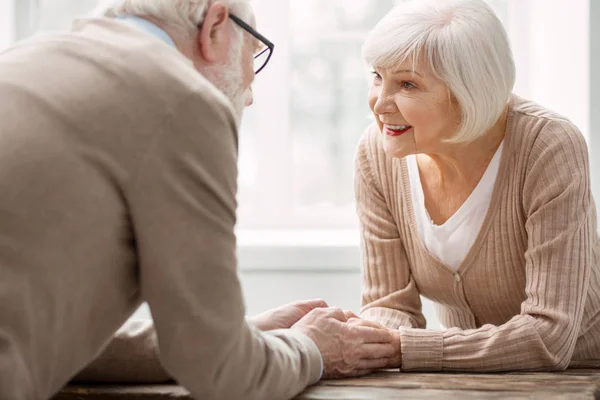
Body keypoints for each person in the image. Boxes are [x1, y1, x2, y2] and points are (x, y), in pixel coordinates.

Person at [0, 0, 396, 399]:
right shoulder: (183, 99)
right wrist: (317, 349)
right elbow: (226, 376)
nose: (251, 91)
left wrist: (245, 333)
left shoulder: (26, 59)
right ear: (215, 26)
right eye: (253, 53)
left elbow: (53, 340)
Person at [353, 0, 600, 372]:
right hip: (469, 378)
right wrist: (376, 345)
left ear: (468, 91)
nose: (380, 104)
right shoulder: (377, 153)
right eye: (377, 76)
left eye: (407, 83)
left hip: (583, 373)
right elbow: (389, 307)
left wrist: (404, 350)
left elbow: (549, 337)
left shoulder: (548, 147)